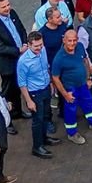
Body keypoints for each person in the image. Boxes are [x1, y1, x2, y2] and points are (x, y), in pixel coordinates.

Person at [50, 30, 92, 144]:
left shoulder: (80, 47)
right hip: (70, 89)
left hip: (83, 84)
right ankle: (72, 134)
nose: (72, 43)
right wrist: (65, 94)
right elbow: (55, 78)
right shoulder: (59, 58)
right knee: (70, 111)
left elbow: (85, 60)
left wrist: (88, 78)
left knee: (89, 104)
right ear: (64, 40)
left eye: (74, 40)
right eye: (69, 41)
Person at [16, 32, 60, 160]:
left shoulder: (43, 51)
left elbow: (46, 68)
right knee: (38, 120)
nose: (39, 48)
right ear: (29, 45)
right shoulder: (23, 62)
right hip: (35, 93)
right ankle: (37, 146)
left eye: (41, 45)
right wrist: (29, 101)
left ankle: (44, 138)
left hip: (46, 88)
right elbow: (22, 83)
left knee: (46, 115)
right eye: (36, 46)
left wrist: (51, 83)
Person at [0, 0, 28, 120]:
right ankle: (8, 119)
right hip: (7, 64)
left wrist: (25, 43)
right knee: (9, 92)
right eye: (3, 7)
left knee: (18, 87)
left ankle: (18, 112)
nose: (7, 8)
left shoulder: (12, 14)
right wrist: (18, 50)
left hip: (21, 58)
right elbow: (0, 48)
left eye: (8, 5)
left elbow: (21, 29)